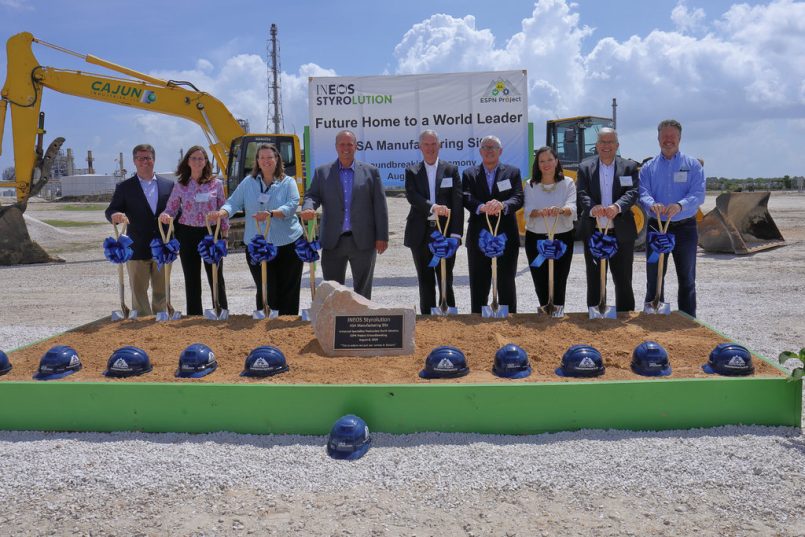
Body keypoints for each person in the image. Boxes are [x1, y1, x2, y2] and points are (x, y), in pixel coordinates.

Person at [215, 144, 304, 315]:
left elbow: (293, 205)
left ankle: (287, 328)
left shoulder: (288, 182)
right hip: (257, 244)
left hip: (287, 243)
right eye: (262, 158)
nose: (266, 161)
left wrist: (272, 213)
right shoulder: (248, 182)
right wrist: (222, 212)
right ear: (257, 161)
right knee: (266, 288)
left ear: (277, 159)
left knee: (289, 289)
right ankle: (265, 328)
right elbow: (233, 202)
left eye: (270, 157)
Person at [300, 130, 389, 299]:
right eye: (342, 144)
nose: (346, 148)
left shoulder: (371, 172)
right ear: (336, 147)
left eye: (350, 144)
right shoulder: (322, 173)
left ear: (356, 146)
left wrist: (382, 236)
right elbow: (312, 195)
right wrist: (308, 207)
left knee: (363, 291)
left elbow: (380, 206)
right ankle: (335, 323)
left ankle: (361, 322)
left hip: (364, 242)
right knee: (333, 291)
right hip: (333, 241)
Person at [639, 119, 705, 317]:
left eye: (672, 136)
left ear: (679, 138)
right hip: (656, 229)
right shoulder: (648, 168)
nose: (668, 140)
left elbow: (698, 194)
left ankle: (687, 319)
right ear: (658, 138)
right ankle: (653, 314)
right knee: (654, 275)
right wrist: (652, 204)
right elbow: (643, 193)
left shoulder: (692, 165)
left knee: (687, 277)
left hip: (685, 229)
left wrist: (679, 206)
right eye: (664, 136)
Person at [158, 146, 228, 316]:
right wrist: (166, 215)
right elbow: (172, 208)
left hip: (211, 233)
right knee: (191, 278)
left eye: (201, 158)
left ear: (206, 162)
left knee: (215, 276)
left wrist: (225, 235)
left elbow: (223, 209)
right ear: (188, 161)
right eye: (194, 158)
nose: (197, 161)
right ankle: (194, 316)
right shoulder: (181, 185)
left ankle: (221, 312)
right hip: (187, 234)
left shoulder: (216, 184)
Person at [105, 144, 174, 316]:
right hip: (136, 247)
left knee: (162, 292)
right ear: (134, 161)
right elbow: (111, 210)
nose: (145, 162)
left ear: (154, 159)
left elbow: (176, 209)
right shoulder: (125, 187)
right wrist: (116, 215)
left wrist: (170, 215)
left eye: (148, 158)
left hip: (162, 246)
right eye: (140, 158)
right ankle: (143, 326)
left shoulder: (168, 185)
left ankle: (161, 322)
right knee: (138, 293)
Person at [576, 128, 640, 312]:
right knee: (595, 277)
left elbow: (632, 192)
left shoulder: (628, 167)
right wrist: (592, 207)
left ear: (617, 145)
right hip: (594, 231)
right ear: (596, 146)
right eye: (602, 142)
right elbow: (582, 192)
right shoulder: (585, 167)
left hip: (621, 232)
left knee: (623, 279)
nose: (606, 146)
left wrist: (617, 207)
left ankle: (625, 313)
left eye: (610, 142)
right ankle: (595, 315)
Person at [462, 135, 524, 314]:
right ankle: (478, 319)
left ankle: (509, 317)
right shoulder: (469, 173)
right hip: (478, 234)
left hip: (506, 234)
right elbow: (466, 196)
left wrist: (503, 205)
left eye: (493, 147)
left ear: (501, 151)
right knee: (478, 280)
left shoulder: (512, 172)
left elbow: (518, 197)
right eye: (485, 147)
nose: (489, 150)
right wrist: (482, 207)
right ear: (480, 151)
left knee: (506, 279)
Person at [404, 130, 464, 314]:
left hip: (445, 232)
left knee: (446, 277)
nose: (430, 148)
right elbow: (412, 196)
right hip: (421, 234)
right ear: (420, 147)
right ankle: (427, 319)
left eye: (433, 144)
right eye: (426, 144)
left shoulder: (451, 170)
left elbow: (457, 202)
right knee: (425, 280)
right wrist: (433, 207)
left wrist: (455, 235)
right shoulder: (412, 171)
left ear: (440, 145)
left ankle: (449, 316)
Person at [523, 146, 576, 309]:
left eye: (550, 160)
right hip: (536, 239)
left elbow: (572, 206)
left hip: (562, 238)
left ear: (556, 161)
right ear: (537, 165)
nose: (546, 164)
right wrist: (539, 213)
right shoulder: (530, 185)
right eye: (542, 161)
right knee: (539, 276)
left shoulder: (568, 183)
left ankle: (558, 308)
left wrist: (560, 210)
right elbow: (528, 210)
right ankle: (545, 307)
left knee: (560, 277)